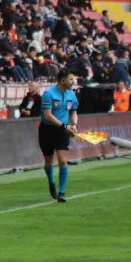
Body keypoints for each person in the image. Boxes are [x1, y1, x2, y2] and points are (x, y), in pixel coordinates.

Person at [40, 70, 79, 203]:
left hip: (62, 132)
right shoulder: (48, 93)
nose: (73, 82)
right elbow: (48, 115)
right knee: (48, 161)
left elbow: (73, 112)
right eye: (71, 79)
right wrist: (64, 126)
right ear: (62, 81)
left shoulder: (71, 94)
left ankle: (61, 192)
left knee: (63, 160)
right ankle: (51, 182)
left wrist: (74, 124)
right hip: (47, 130)